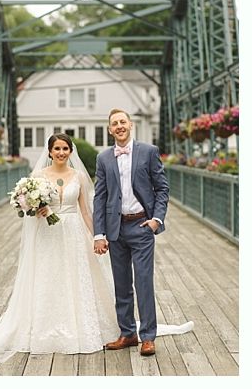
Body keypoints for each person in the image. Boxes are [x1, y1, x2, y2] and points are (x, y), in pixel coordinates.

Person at [0, 134, 191, 364]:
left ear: (70, 152)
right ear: (49, 152)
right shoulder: (37, 178)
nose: (61, 152)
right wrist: (36, 211)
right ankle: (44, 328)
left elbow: (85, 210)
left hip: (73, 234)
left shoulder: (79, 177)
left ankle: (99, 327)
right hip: (47, 235)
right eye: (56, 148)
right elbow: (27, 210)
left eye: (65, 148)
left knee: (75, 278)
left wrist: (99, 236)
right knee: (48, 278)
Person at [93, 109, 170, 356]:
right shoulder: (104, 158)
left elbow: (162, 188)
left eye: (122, 122)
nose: (119, 126)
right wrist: (99, 233)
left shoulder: (148, 151)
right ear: (109, 129)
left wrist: (156, 219)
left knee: (144, 282)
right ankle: (128, 333)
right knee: (122, 284)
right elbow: (100, 197)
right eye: (114, 123)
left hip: (141, 226)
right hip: (116, 229)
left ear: (131, 125)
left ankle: (148, 337)